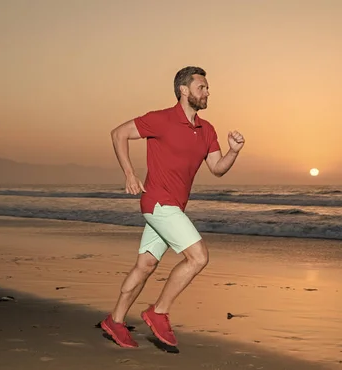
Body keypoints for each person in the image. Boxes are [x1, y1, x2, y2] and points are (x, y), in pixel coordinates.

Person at [101, 66, 245, 348]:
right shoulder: (161, 119)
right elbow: (118, 134)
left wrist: (233, 152)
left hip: (173, 206)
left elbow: (217, 168)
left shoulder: (207, 130)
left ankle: (115, 321)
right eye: (201, 87)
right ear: (184, 90)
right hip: (157, 201)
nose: (207, 92)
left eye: (207, 87)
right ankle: (159, 311)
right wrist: (130, 174)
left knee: (146, 265)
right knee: (198, 257)